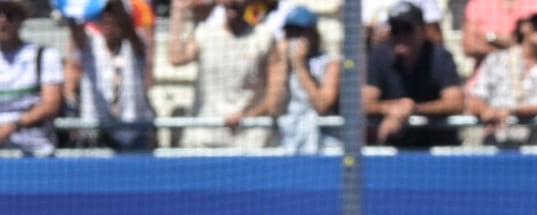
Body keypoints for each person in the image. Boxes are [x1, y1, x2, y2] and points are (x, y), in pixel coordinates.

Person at [168, 0, 280, 149]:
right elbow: (176, 58)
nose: (232, 2)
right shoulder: (205, 33)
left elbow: (274, 99)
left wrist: (247, 115)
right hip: (204, 136)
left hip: (248, 140)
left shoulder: (264, 37)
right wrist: (178, 10)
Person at [364, 1, 463, 147]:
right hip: (392, 148)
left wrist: (413, 109)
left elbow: (455, 103)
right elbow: (365, 103)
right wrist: (392, 108)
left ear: (423, 30)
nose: (401, 36)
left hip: (437, 147)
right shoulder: (378, 55)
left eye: (407, 29)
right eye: (395, 30)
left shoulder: (440, 57)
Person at [469, 7, 537, 145]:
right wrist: (486, 111)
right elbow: (475, 99)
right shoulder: (496, 59)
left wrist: (510, 111)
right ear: (523, 27)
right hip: (497, 143)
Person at [65, 0, 153, 151]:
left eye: (113, 14)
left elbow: (128, 27)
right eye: (103, 14)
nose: (108, 18)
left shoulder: (135, 43)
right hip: (96, 135)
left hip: (133, 132)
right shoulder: (90, 44)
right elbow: (74, 24)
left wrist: (117, 3)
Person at [0, 0, 63, 156]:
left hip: (35, 152)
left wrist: (12, 126)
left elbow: (51, 104)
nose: (3, 21)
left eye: (9, 15)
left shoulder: (44, 55)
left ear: (21, 19)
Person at [275, 5, 338, 153]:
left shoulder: (329, 64)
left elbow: (323, 107)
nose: (294, 39)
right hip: (288, 142)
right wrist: (283, 64)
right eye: (290, 33)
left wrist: (299, 65)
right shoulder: (280, 64)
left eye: (300, 32)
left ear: (313, 34)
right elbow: (275, 107)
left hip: (322, 144)